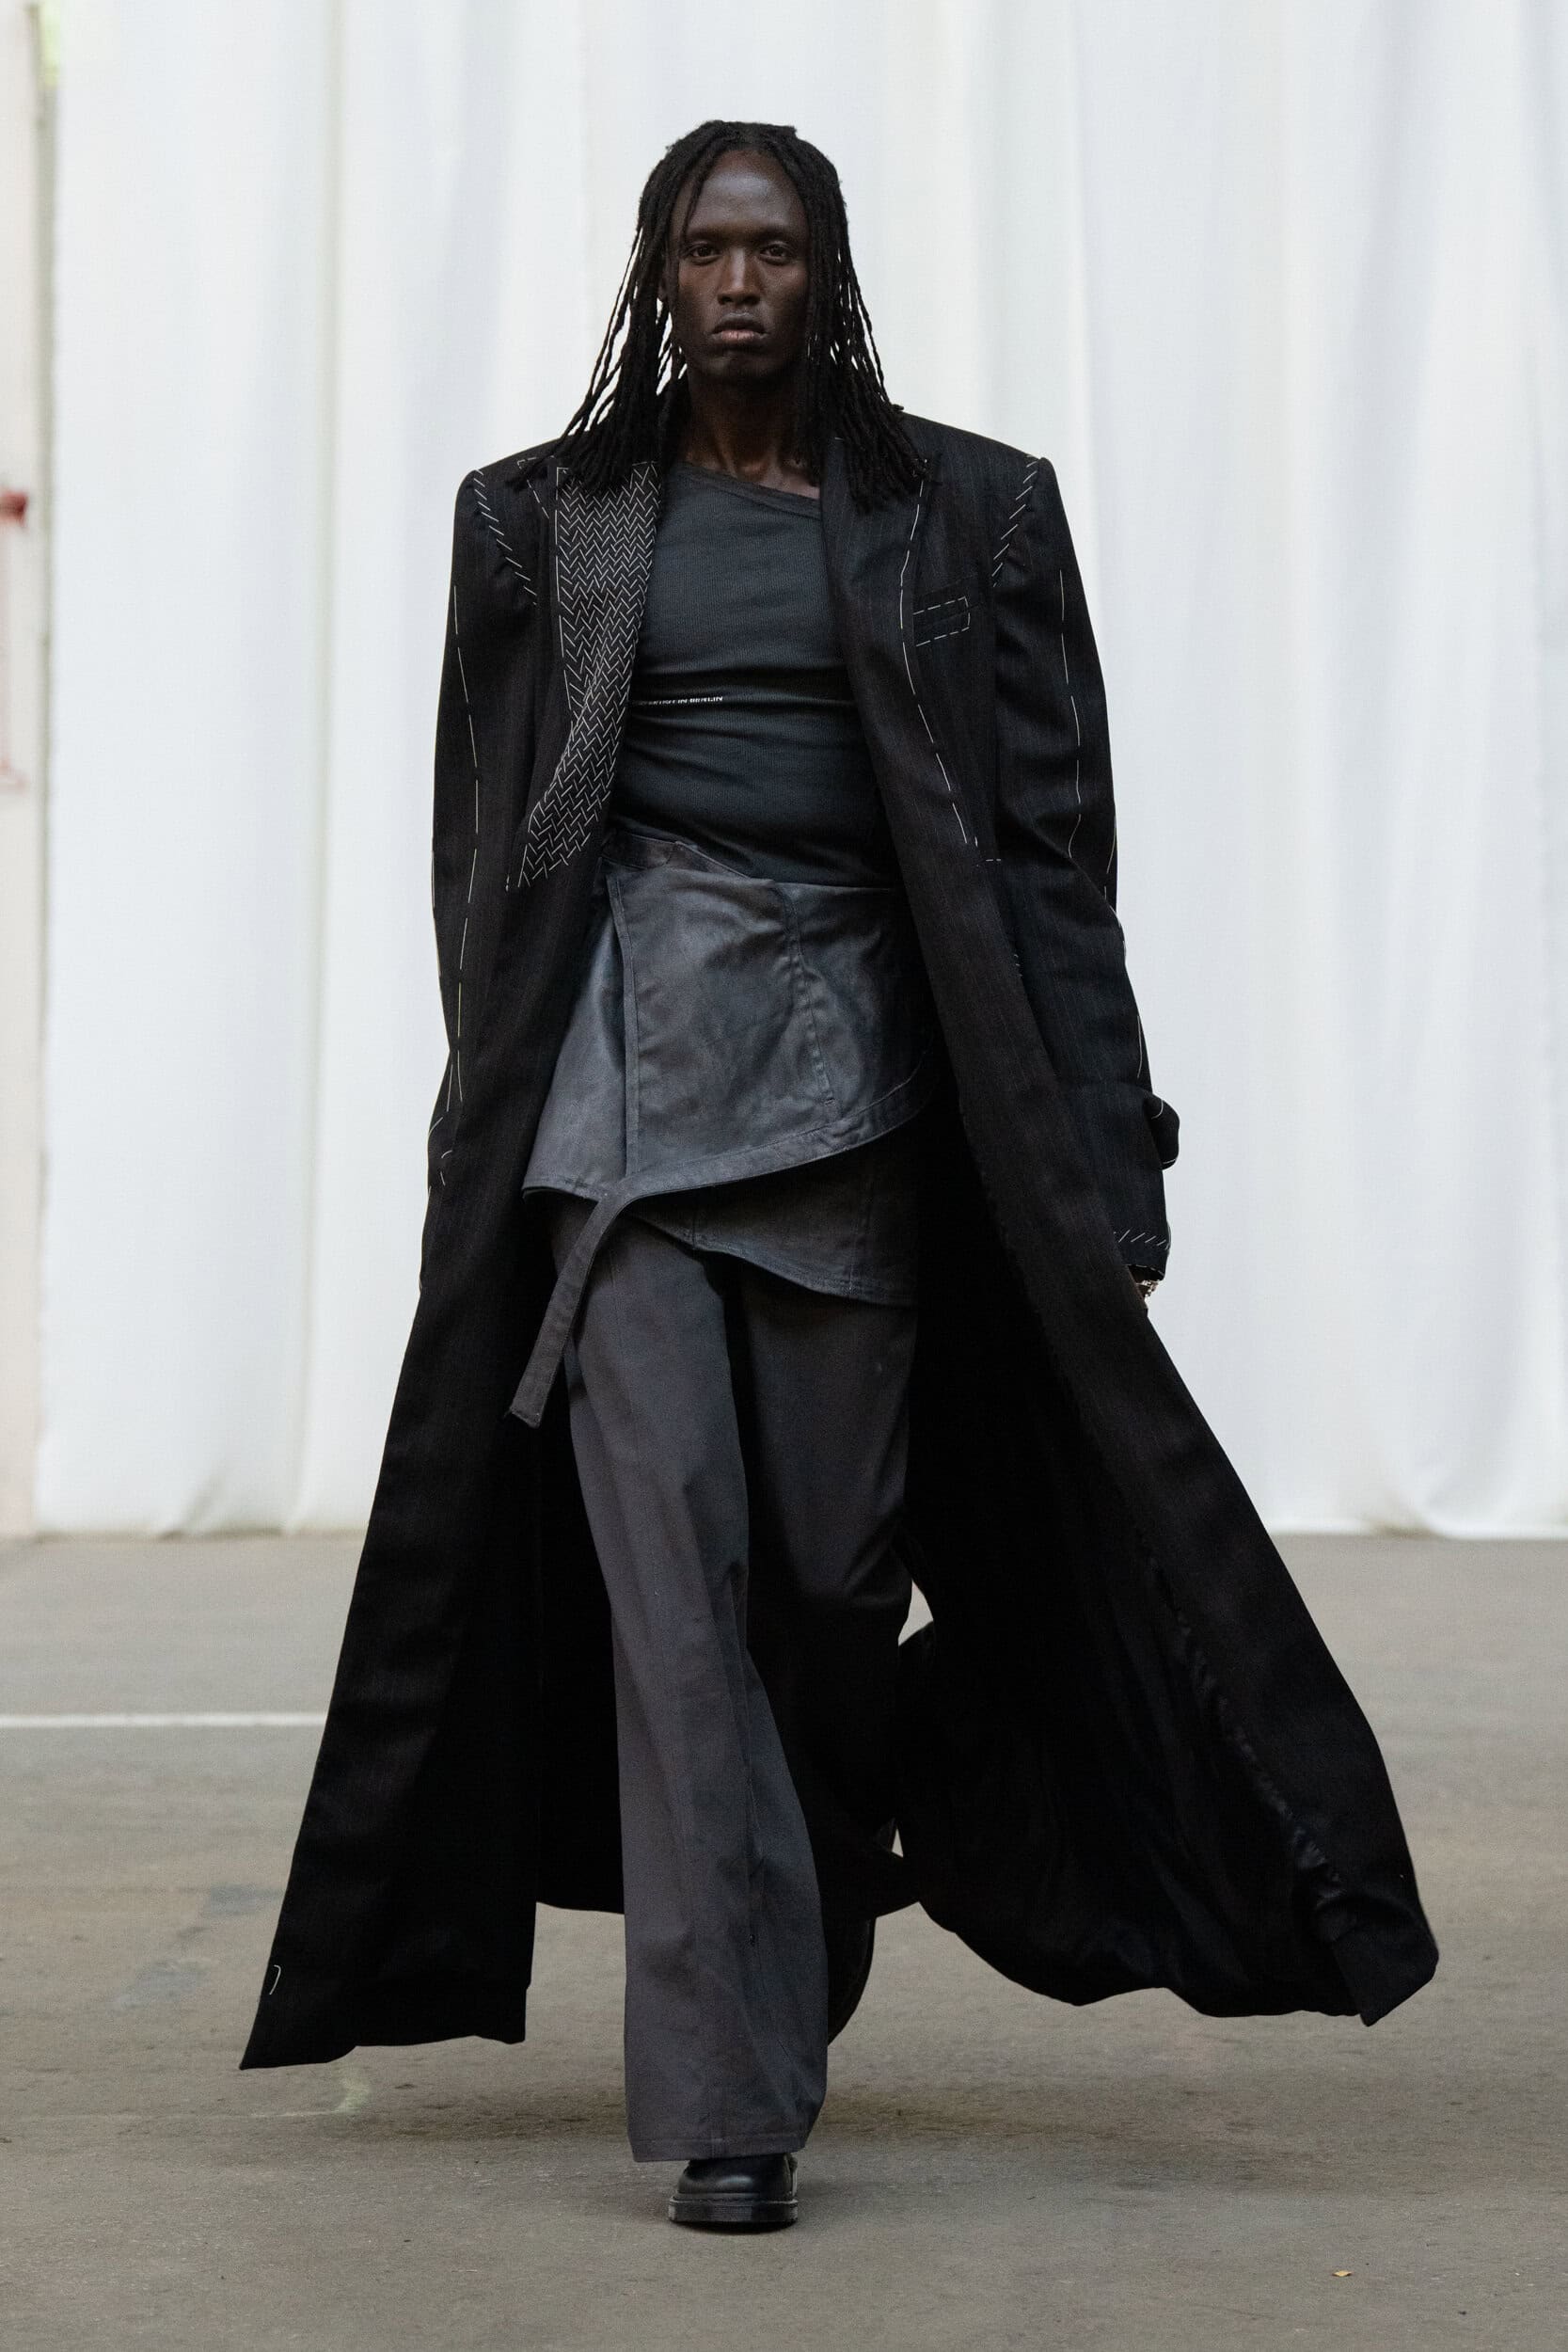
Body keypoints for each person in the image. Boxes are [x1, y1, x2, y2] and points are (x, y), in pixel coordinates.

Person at [242, 120, 1436, 2233]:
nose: (738, 281)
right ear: (656, 272)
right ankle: (732, 2103)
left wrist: (1109, 1143)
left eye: (773, 248)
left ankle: (813, 1894)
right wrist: (496, 1108)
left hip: (867, 1091)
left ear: (828, 274)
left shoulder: (966, 515)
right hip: (617, 1106)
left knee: (822, 1587)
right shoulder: (541, 521)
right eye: (705, 247)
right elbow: (483, 852)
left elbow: (1053, 867)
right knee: (675, 1597)